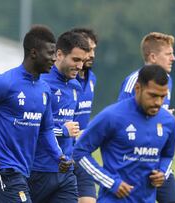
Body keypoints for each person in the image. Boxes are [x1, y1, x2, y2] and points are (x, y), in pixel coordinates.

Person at [0, 25, 68, 203]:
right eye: (50, 53)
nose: (54, 59)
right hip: (3, 168)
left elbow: (46, 129)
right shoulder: (4, 83)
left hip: (25, 171)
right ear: (34, 53)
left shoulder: (44, 90)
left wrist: (58, 155)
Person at [73, 65, 175, 202]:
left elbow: (167, 155)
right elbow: (80, 152)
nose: (158, 102)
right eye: (152, 95)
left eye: (162, 97)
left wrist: (162, 172)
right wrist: (111, 183)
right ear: (138, 88)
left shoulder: (168, 121)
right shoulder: (112, 116)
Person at [117, 32, 175, 203]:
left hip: (158, 163)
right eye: (168, 54)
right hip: (133, 163)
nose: (173, 58)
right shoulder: (134, 81)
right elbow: (120, 120)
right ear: (153, 57)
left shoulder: (168, 80)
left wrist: (162, 117)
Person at [28, 31, 89, 203]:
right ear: (59, 55)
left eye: (83, 61)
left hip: (65, 171)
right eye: (76, 60)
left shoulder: (76, 86)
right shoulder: (42, 83)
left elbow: (71, 129)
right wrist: (62, 131)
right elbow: (31, 126)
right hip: (38, 169)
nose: (80, 66)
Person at [71, 27, 98, 203]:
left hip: (82, 152)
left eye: (94, 49)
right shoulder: (62, 80)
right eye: (88, 49)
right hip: (58, 155)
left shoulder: (92, 78)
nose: (92, 54)